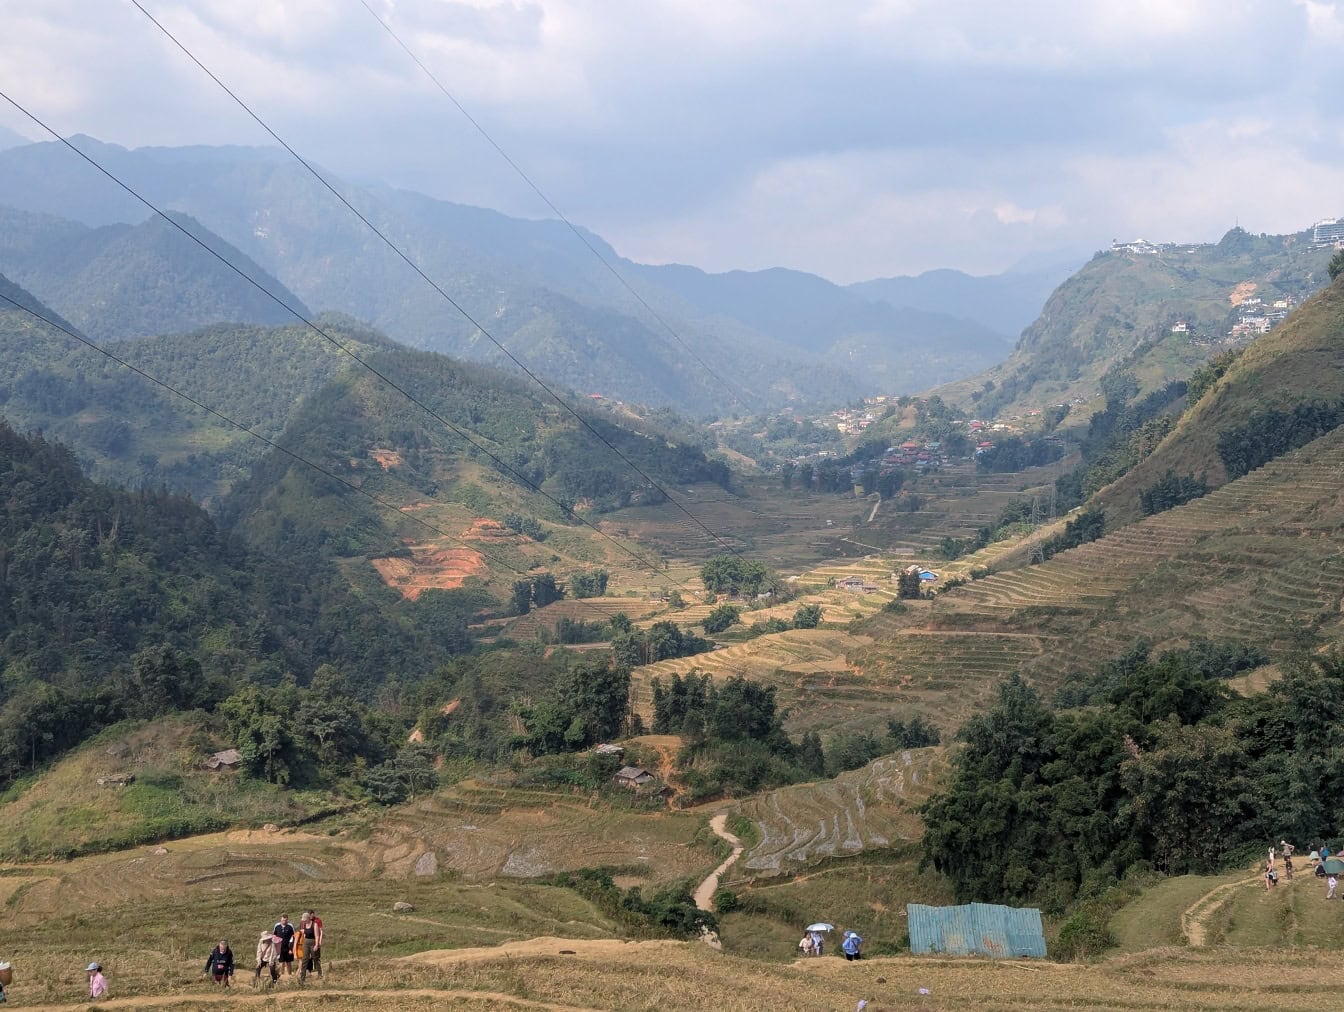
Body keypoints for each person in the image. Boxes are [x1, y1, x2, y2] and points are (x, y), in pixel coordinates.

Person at [300, 909, 323, 980]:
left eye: (305, 919)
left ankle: (320, 973)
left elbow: (317, 935)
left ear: (308, 918)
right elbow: (303, 934)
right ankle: (302, 976)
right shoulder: (304, 924)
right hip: (306, 942)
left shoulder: (314, 924)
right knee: (305, 959)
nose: (303, 921)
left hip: (313, 941)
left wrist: (316, 944)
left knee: (315, 958)